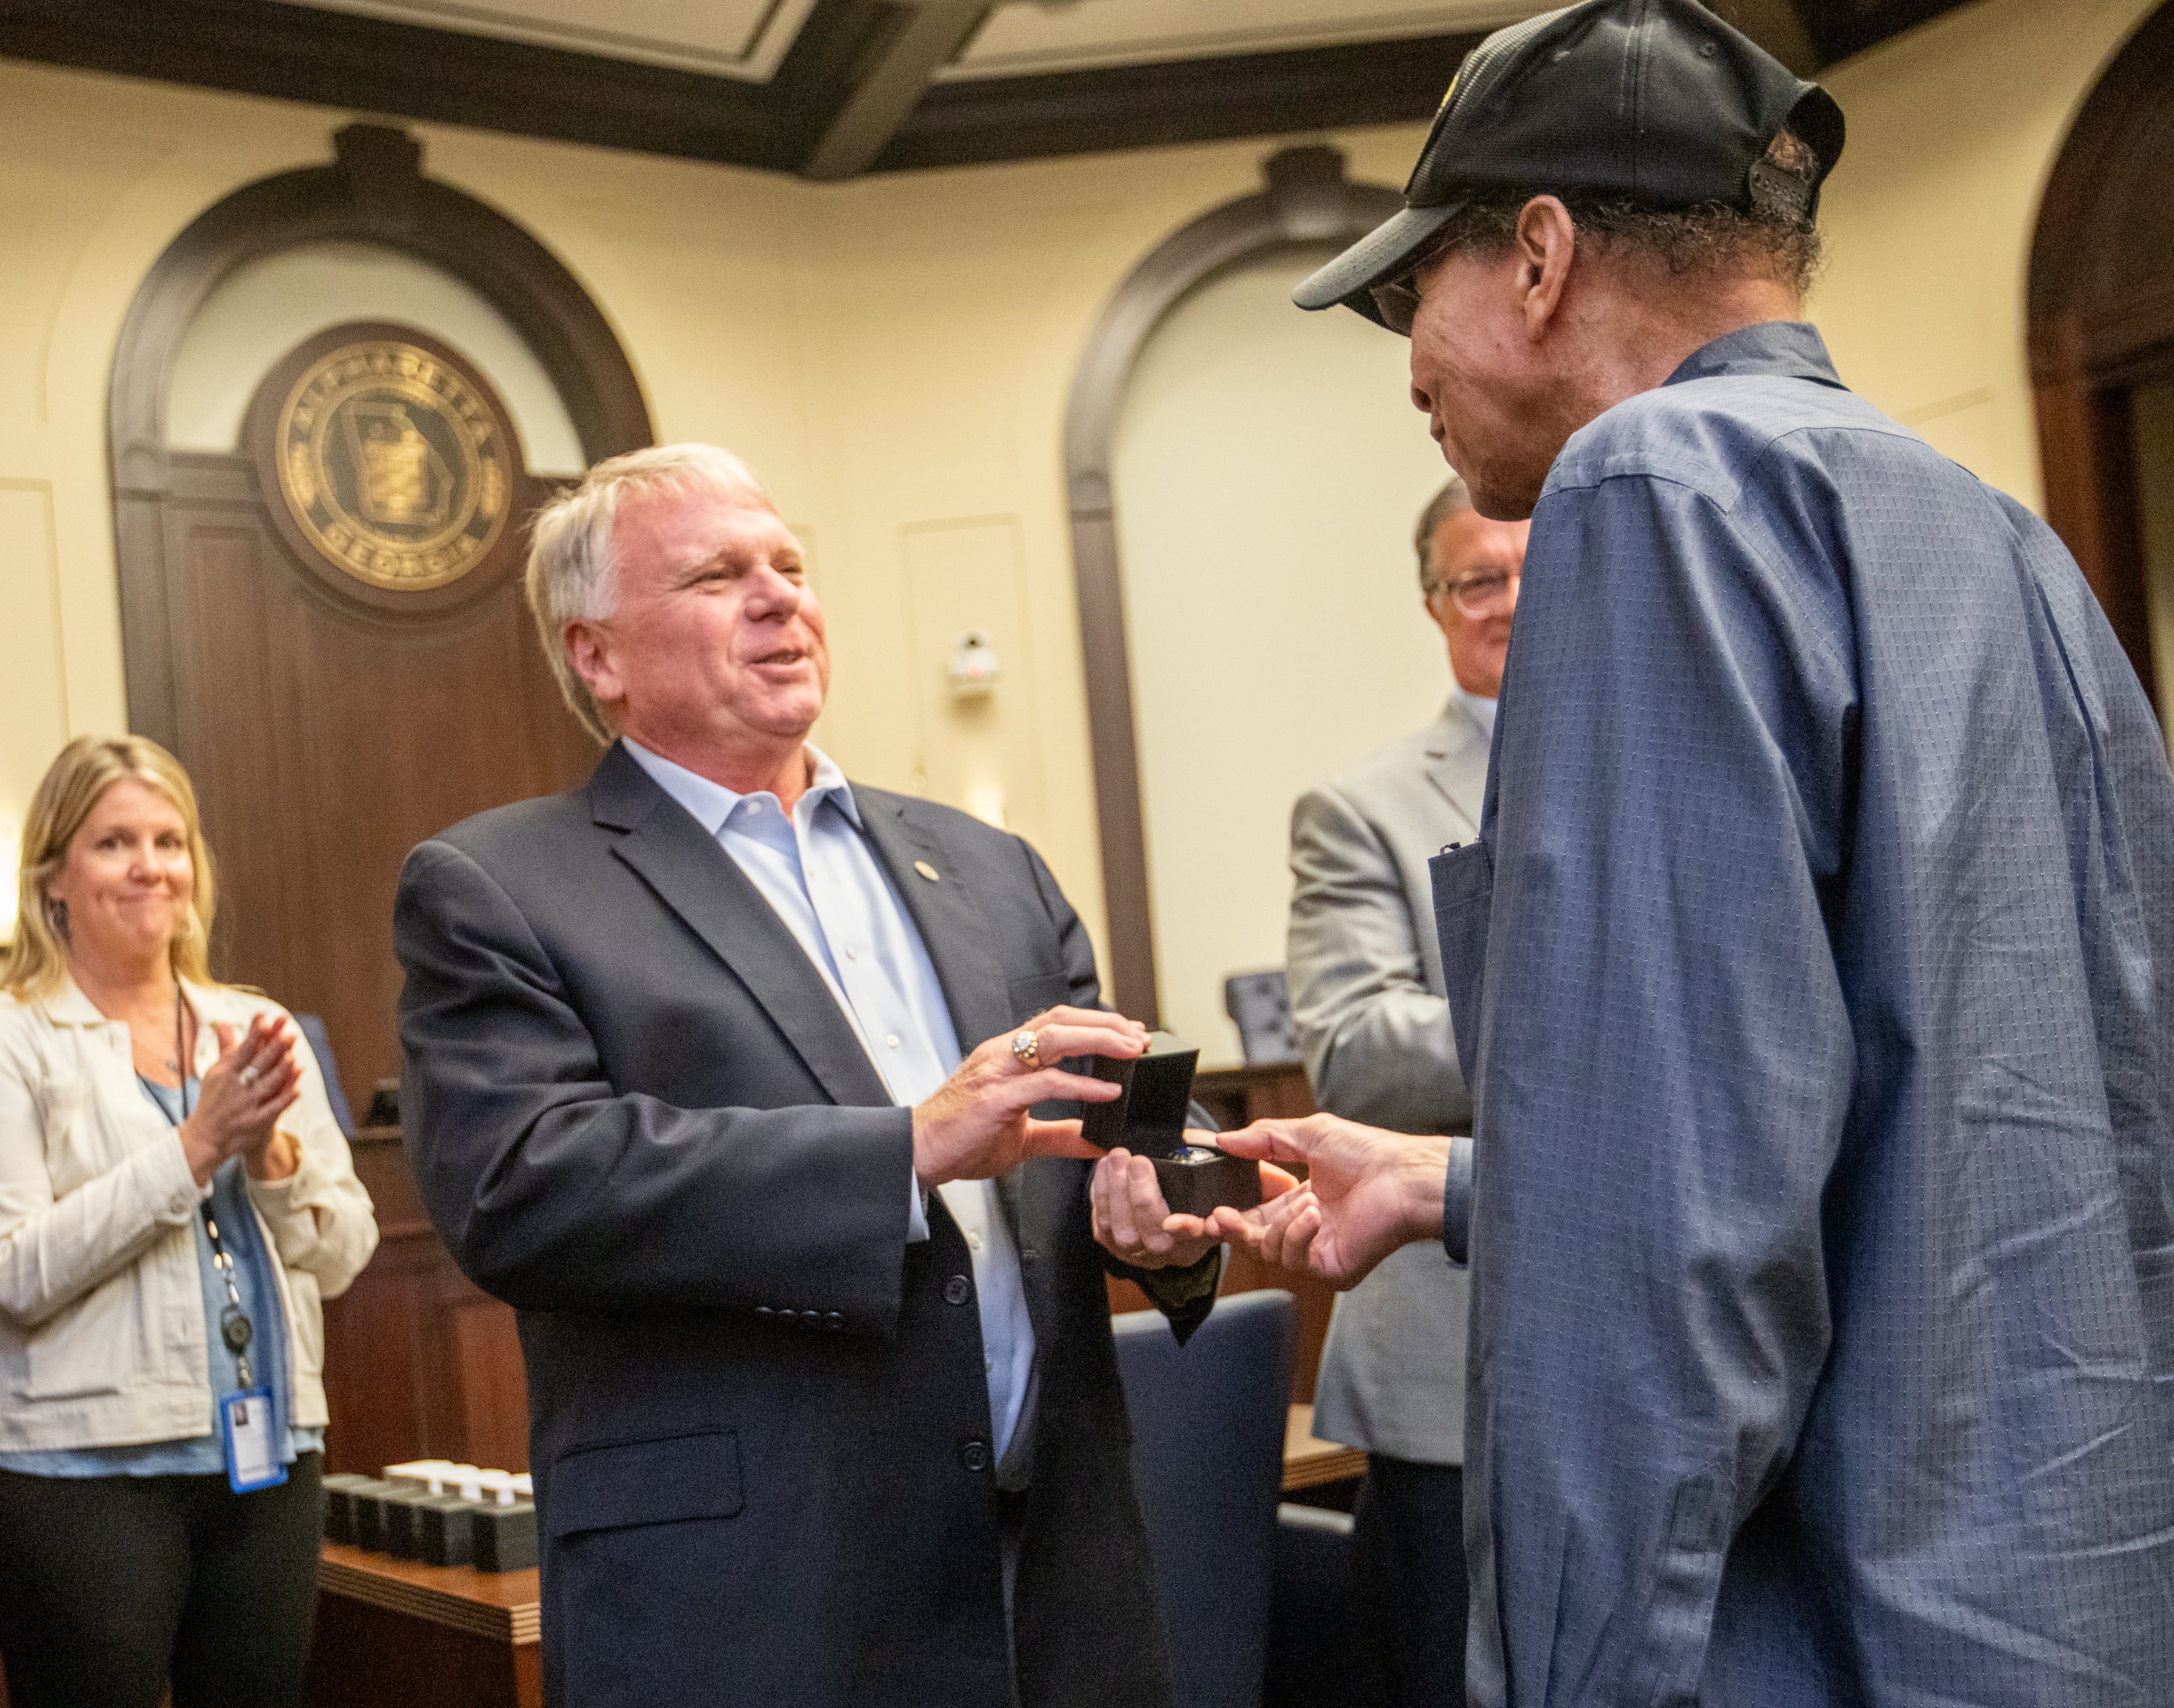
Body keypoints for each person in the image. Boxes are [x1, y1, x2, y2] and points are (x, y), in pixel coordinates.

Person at [1197, 1, 2174, 1701]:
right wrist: (1448, 1185)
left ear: (1543, 258)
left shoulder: (1656, 488)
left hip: (1816, 1629)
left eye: (1408, 288)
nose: (1408, 360)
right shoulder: (1993, 534)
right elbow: (1955, 1139)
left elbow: (1664, 1249)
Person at [393, 443, 1240, 1708]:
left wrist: (1172, 1211)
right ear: (598, 655)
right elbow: (523, 1190)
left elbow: (1136, 1106)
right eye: (718, 574)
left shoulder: (988, 865)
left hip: (1056, 1584)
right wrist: (904, 1150)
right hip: (759, 1602)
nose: (779, 595)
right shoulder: (501, 888)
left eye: (789, 564)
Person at [0, 734, 379, 1708]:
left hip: (269, 1460)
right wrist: (197, 1144)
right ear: (54, 876)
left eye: (171, 841)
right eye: (115, 842)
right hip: (82, 1472)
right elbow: (15, 1272)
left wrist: (271, 1156)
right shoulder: (16, 1037)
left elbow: (341, 1254)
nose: (151, 867)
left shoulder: (256, 1026)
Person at [1286, 472, 1526, 1707]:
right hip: (1452, 1369)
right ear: (1437, 604)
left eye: (1541, 570)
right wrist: (1594, 1029)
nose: (1514, 600)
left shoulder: (1676, 763)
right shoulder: (1362, 810)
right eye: (1481, 578)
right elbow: (1356, 1048)